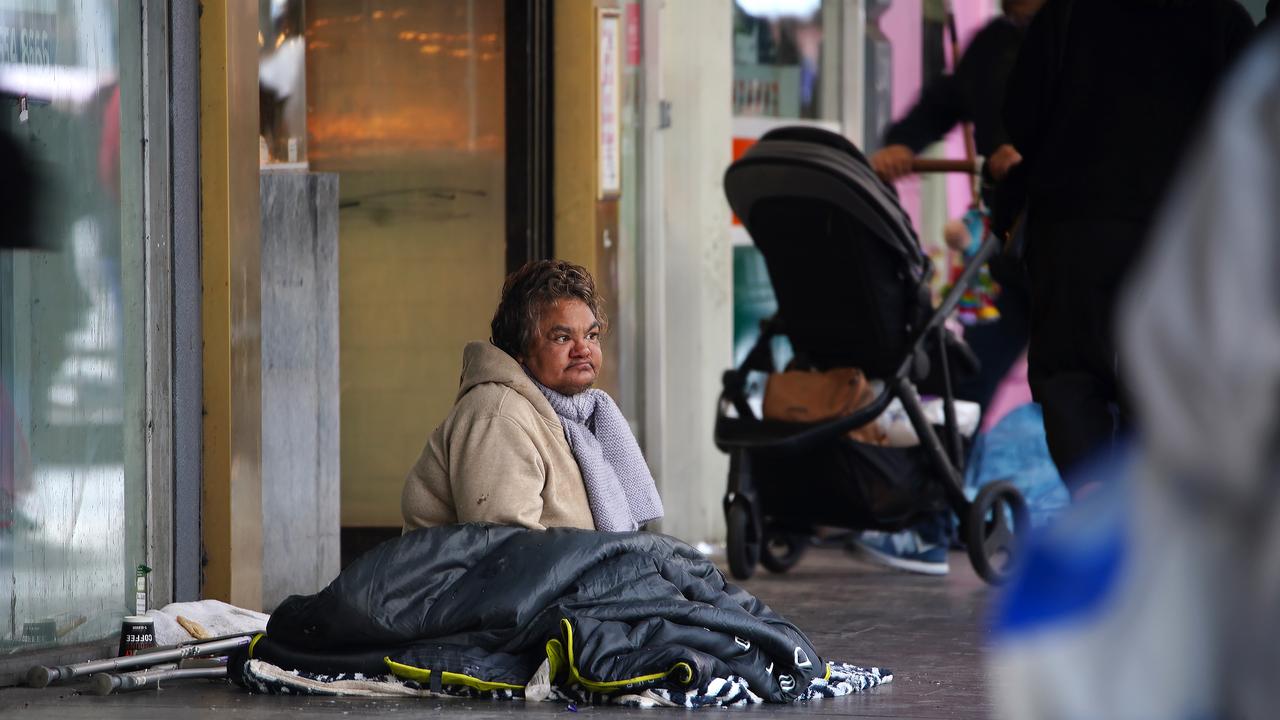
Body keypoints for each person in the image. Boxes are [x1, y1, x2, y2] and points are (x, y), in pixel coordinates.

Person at [993, 0, 1254, 493]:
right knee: (1158, 377)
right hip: (1178, 231)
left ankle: (1094, 503)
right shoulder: (1221, 17)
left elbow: (1021, 117)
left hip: (1073, 227)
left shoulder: (1066, 14)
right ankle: (1137, 517)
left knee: (1069, 374)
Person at [852, 0, 1045, 577]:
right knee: (962, 382)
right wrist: (901, 143)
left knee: (1090, 397)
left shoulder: (1093, 37)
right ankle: (929, 526)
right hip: (1010, 253)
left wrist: (1041, 157)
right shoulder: (992, 46)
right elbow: (940, 105)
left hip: (1081, 254)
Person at [401, 260, 663, 533]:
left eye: (592, 335)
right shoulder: (498, 414)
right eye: (562, 338)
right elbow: (505, 554)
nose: (583, 349)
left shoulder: (576, 416)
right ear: (520, 349)